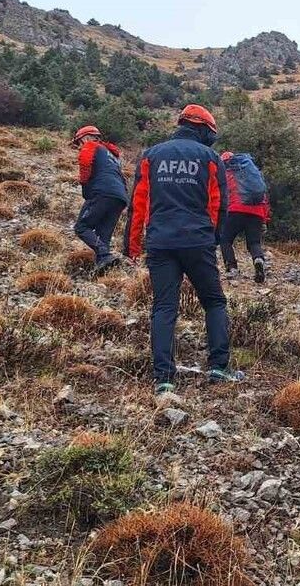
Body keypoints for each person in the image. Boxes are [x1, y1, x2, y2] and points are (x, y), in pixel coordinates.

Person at [124, 105, 243, 392]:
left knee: (164, 307)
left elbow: (138, 203)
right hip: (197, 241)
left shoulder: (151, 155)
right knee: (214, 302)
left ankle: (163, 379)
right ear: (203, 129)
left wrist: (132, 246)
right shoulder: (210, 158)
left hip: (160, 242)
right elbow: (219, 205)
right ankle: (219, 367)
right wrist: (214, 239)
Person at [71, 126, 128, 276]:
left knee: (81, 227)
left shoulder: (90, 146)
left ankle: (104, 253)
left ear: (86, 138)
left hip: (102, 192)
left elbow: (85, 166)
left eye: (79, 143)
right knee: (103, 235)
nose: (79, 147)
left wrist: (86, 191)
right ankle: (103, 268)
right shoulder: (112, 155)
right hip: (120, 197)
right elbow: (121, 177)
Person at [219, 151, 270, 283]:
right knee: (254, 242)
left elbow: (222, 197)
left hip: (235, 210)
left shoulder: (226, 174)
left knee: (225, 239)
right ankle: (258, 259)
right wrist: (264, 220)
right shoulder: (252, 174)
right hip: (257, 213)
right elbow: (264, 198)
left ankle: (232, 268)